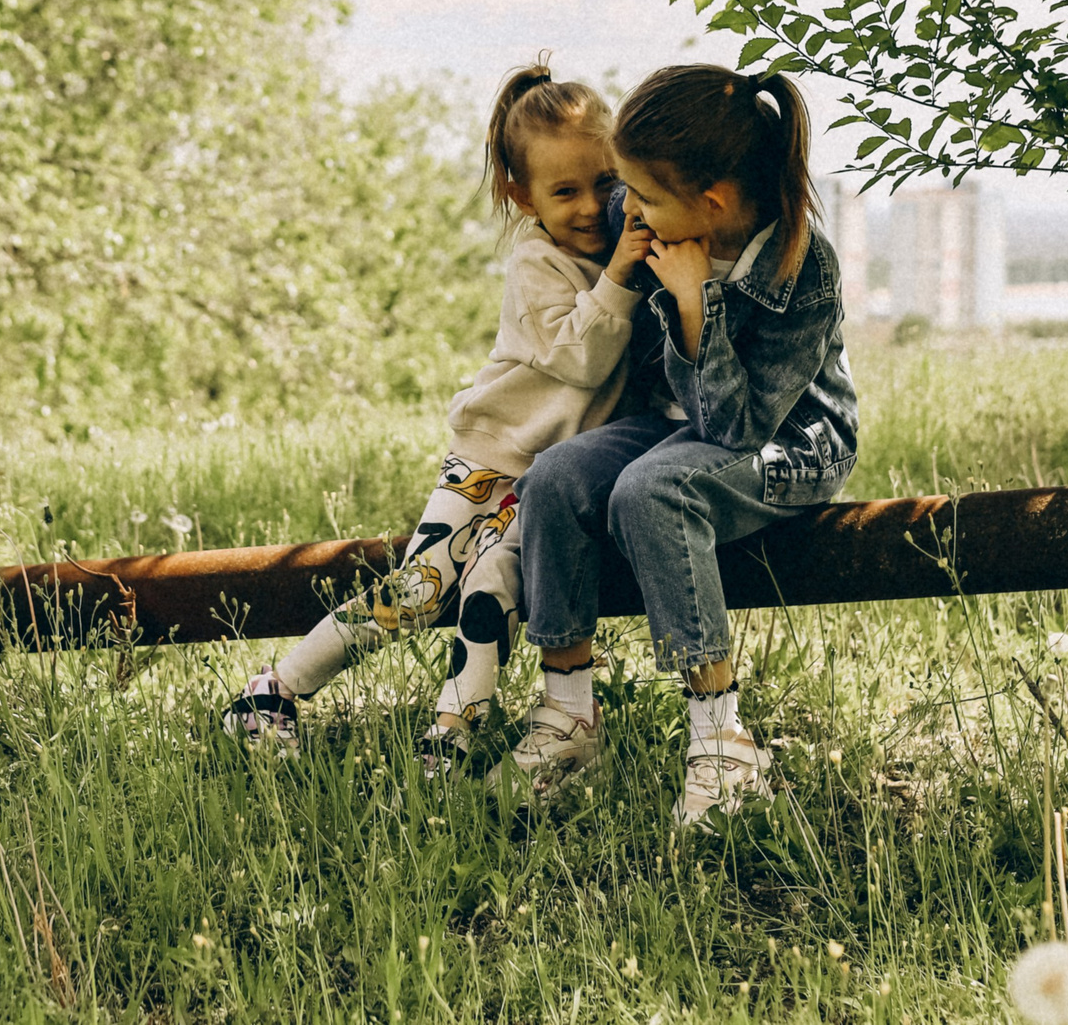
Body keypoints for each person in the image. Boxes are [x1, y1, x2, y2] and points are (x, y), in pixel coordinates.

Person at [222, 60, 652, 771]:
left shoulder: (621, 250)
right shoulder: (537, 263)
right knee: (418, 590)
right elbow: (582, 359)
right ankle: (273, 689)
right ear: (522, 196)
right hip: (489, 456)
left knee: (491, 589)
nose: (587, 206)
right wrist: (619, 278)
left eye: (604, 184)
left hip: (551, 478)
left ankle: (449, 736)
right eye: (564, 190)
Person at [497, 64, 859, 829]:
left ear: (714, 203)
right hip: (677, 418)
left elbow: (735, 428)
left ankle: (722, 739)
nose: (625, 213)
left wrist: (696, 304)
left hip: (786, 443)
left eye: (643, 201)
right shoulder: (656, 205)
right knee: (558, 475)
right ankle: (568, 713)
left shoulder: (803, 265)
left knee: (652, 490)